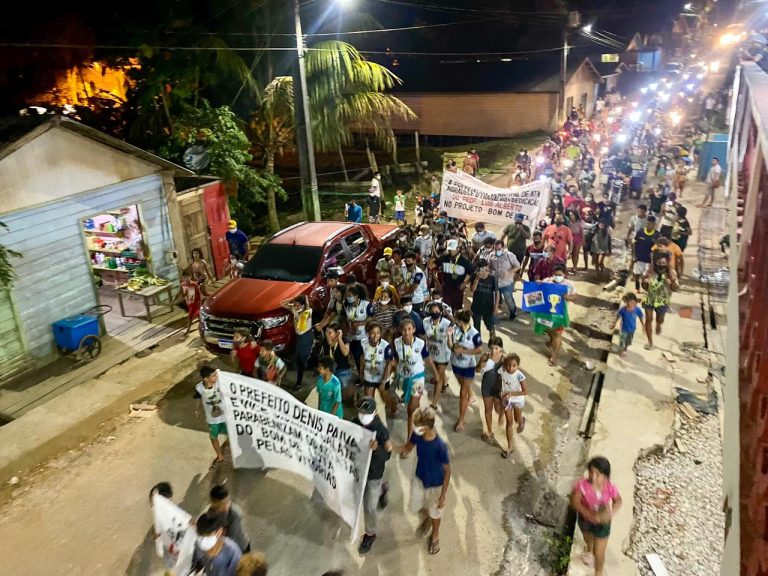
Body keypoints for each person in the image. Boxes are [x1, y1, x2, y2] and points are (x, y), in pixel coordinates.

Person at [398, 406, 451, 556]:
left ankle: (435, 535)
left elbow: (448, 471)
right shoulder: (417, 436)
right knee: (416, 506)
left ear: (427, 427)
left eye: (417, 425)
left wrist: (443, 496)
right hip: (419, 478)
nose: (414, 427)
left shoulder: (440, 447)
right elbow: (406, 448)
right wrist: (390, 447)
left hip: (436, 484)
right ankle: (427, 517)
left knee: (436, 512)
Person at [570, 457, 622, 576]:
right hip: (585, 520)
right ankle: (589, 547)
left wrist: (611, 512)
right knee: (587, 537)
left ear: (606, 476)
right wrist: (587, 513)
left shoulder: (610, 488)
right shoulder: (582, 485)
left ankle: (598, 572)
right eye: (591, 472)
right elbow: (575, 501)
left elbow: (618, 501)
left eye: (598, 474)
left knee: (599, 552)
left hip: (602, 523)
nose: (593, 477)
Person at [354, 397, 393, 554]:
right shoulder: (355, 422)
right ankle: (382, 490)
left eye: (367, 413)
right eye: (361, 413)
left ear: (375, 412)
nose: (363, 416)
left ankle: (370, 534)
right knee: (358, 497)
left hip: (373, 473)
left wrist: (377, 449)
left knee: (369, 506)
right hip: (358, 468)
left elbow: (387, 456)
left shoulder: (382, 431)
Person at [391, 317, 440, 439]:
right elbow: (395, 360)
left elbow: (427, 358)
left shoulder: (420, 343)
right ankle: (420, 419)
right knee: (405, 402)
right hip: (403, 377)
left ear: (413, 329)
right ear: (400, 331)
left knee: (410, 410)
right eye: (404, 330)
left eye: (409, 329)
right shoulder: (397, 342)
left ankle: (410, 440)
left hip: (417, 378)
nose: (406, 332)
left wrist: (436, 373)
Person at [533, 264, 576, 366]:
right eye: (555, 274)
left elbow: (575, 296)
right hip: (546, 314)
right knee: (548, 329)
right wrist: (537, 284)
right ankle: (551, 339)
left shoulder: (568, 285)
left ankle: (554, 357)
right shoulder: (547, 281)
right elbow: (537, 292)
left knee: (558, 334)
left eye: (560, 274)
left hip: (559, 316)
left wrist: (568, 297)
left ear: (564, 274)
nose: (557, 276)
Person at [450, 309, 483, 432]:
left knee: (463, 393)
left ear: (459, 321)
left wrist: (464, 351)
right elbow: (451, 345)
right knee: (462, 385)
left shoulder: (474, 333)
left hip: (468, 366)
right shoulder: (455, 329)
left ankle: (461, 420)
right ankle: (472, 394)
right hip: (456, 364)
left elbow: (479, 349)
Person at [641, 254, 679, 349]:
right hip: (650, 299)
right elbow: (644, 287)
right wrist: (645, 282)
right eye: (659, 263)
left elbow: (675, 288)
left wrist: (672, 282)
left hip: (663, 301)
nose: (661, 265)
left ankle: (658, 324)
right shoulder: (649, 271)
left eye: (663, 263)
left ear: (667, 263)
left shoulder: (671, 273)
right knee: (648, 319)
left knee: (660, 319)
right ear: (655, 263)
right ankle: (650, 342)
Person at [194, 366, 227, 466]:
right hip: (212, 419)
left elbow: (218, 370)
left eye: (215, 375)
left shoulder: (219, 381)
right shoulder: (199, 388)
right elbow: (197, 399)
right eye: (213, 376)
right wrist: (197, 409)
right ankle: (219, 455)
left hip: (225, 416)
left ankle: (230, 447)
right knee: (213, 437)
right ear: (206, 379)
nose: (216, 377)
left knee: (230, 432)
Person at [498, 353, 528, 459]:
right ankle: (510, 447)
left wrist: (511, 394)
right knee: (509, 422)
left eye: (514, 366)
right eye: (509, 365)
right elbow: (501, 361)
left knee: (516, 419)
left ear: (518, 365)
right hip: (507, 401)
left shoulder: (520, 375)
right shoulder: (503, 371)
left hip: (518, 400)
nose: (511, 368)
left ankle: (521, 421)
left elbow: (525, 392)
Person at [281, 295, 314, 390]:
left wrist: (306, 303)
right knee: (298, 357)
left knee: (302, 360)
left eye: (298, 305)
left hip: (306, 337)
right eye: (295, 305)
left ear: (303, 305)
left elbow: (307, 308)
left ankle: (298, 383)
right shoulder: (294, 309)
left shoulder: (308, 312)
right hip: (299, 337)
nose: (295, 307)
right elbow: (282, 304)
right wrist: (292, 299)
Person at [423, 301, 452, 410]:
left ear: (441, 311)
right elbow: (423, 335)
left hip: (443, 354)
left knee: (437, 377)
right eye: (432, 311)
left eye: (437, 311)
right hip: (431, 353)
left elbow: (456, 323)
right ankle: (445, 383)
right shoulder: (426, 322)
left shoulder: (446, 323)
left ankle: (434, 403)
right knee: (437, 372)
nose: (435, 313)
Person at [208, 485, 251, 553]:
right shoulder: (213, 510)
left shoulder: (235, 514)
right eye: (220, 505)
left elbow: (231, 538)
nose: (225, 507)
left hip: (240, 547)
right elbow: (209, 523)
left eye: (227, 503)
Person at [476, 336, 504, 442]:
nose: (493, 351)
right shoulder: (485, 357)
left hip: (498, 388)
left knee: (497, 408)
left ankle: (501, 414)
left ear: (501, 348)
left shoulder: (503, 359)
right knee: (488, 409)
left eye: (496, 348)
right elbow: (477, 370)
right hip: (486, 386)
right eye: (491, 348)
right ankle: (489, 431)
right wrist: (480, 364)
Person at [361, 321, 394, 405]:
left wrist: (383, 381)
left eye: (378, 333)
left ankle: (394, 406)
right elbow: (362, 360)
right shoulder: (363, 343)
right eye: (372, 333)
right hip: (368, 376)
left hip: (382, 376)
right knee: (368, 402)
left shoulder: (385, 346)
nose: (375, 336)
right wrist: (361, 376)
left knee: (386, 401)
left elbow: (388, 364)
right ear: (368, 333)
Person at [344, 284, 372, 381]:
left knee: (365, 357)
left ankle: (367, 376)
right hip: (354, 337)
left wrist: (360, 323)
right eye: (347, 296)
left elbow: (371, 318)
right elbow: (348, 320)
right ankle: (361, 377)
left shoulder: (366, 304)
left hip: (365, 336)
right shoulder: (347, 306)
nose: (348, 298)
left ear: (356, 296)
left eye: (350, 296)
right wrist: (350, 327)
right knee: (356, 357)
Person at [438, 239, 473, 312]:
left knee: (457, 309)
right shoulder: (444, 258)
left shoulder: (464, 261)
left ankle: (456, 322)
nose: (450, 252)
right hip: (446, 288)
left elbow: (473, 273)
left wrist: (465, 283)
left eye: (452, 250)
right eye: (449, 250)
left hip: (458, 289)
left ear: (458, 249)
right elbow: (432, 264)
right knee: (445, 309)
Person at [490, 240, 520, 321]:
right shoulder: (491, 255)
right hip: (495, 282)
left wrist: (509, 272)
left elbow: (517, 266)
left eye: (499, 249)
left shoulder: (510, 255)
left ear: (503, 248)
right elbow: (489, 266)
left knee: (508, 299)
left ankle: (513, 311)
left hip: (506, 283)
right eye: (495, 249)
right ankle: (493, 318)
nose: (497, 251)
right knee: (493, 300)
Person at [470, 259, 498, 339]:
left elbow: (497, 293)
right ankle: (478, 343)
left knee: (490, 325)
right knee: (476, 326)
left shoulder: (492, 278)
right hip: (476, 306)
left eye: (484, 269)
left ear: (487, 268)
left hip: (488, 307)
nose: (482, 272)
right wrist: (477, 279)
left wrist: (496, 306)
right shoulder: (475, 276)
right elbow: (472, 290)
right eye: (480, 269)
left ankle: (493, 341)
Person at [632, 216, 660, 291]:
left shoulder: (657, 235)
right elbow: (634, 243)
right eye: (648, 223)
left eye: (651, 224)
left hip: (649, 260)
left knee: (646, 277)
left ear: (654, 224)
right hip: (639, 258)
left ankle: (646, 290)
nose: (649, 225)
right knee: (636, 274)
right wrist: (634, 255)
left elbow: (658, 248)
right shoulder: (640, 232)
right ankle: (637, 288)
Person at [614, 292, 644, 357]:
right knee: (622, 341)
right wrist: (614, 324)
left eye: (632, 302)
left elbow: (641, 317)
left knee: (628, 342)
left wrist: (643, 326)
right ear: (626, 302)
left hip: (632, 329)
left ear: (635, 302)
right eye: (628, 302)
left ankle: (625, 348)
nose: (629, 304)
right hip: (624, 329)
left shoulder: (637, 310)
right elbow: (618, 316)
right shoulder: (623, 309)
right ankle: (621, 352)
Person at [178, 270, 201, 337]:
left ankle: (188, 330)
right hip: (189, 302)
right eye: (184, 277)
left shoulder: (194, 284)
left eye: (187, 277)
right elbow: (182, 294)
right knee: (198, 315)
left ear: (190, 277)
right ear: (182, 278)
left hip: (195, 302)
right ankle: (202, 324)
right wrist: (184, 295)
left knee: (190, 316)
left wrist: (199, 302)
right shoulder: (182, 285)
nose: (186, 278)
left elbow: (199, 293)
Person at [566, 209, 585, 274]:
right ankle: (572, 266)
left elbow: (582, 232)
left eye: (572, 215)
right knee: (571, 252)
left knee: (576, 254)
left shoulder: (579, 222)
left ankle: (575, 267)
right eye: (570, 215)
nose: (571, 216)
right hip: (570, 238)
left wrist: (583, 241)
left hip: (578, 238)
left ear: (575, 215)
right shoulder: (568, 222)